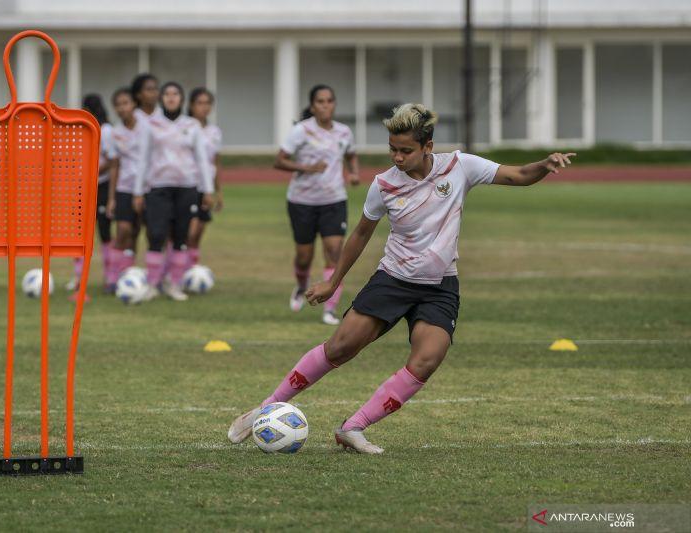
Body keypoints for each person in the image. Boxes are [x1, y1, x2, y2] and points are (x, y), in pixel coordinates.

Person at [228, 103, 576, 454]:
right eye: (392, 149)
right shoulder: (383, 185)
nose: (397, 157)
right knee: (341, 347)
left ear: (428, 146)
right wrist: (334, 282)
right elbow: (361, 234)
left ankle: (352, 428)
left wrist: (544, 165)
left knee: (427, 358)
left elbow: (518, 175)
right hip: (392, 280)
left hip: (440, 287)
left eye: (405, 150)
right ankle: (267, 407)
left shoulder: (459, 166)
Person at [275, 84, 360, 326]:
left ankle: (329, 309)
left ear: (334, 104)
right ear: (312, 106)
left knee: (334, 251)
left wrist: (353, 173)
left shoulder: (344, 132)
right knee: (304, 257)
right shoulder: (300, 131)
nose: (325, 105)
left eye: (329, 101)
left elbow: (351, 154)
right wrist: (306, 168)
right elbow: (279, 161)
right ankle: (301, 286)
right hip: (302, 201)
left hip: (334, 200)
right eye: (320, 101)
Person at [133, 82, 215, 301]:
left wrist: (207, 189)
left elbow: (202, 159)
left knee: (181, 236)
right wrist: (138, 191)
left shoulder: (192, 125)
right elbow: (143, 159)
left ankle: (174, 283)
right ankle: (152, 283)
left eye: (175, 94)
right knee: (157, 234)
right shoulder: (151, 124)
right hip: (158, 187)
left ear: (181, 99)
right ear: (161, 98)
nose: (171, 98)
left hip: (187, 187)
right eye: (167, 94)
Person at [67, 93, 118, 298]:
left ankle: (110, 277)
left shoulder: (105, 131)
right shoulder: (82, 130)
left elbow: (111, 161)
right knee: (78, 236)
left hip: (101, 188)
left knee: (105, 233)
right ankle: (80, 278)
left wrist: (91, 171)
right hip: (81, 188)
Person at [105, 88, 151, 288]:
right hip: (124, 187)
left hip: (147, 186)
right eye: (118, 104)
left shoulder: (147, 128)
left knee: (138, 231)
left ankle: (131, 274)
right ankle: (114, 276)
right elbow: (115, 165)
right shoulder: (116, 132)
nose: (122, 107)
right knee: (123, 229)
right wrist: (112, 198)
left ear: (134, 104)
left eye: (126, 103)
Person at [186, 87, 223, 268]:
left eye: (207, 103)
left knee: (198, 233)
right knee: (188, 233)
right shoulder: (185, 127)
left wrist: (219, 191)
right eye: (200, 103)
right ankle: (178, 270)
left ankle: (191, 271)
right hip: (189, 185)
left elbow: (215, 162)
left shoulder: (214, 131)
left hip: (206, 188)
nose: (204, 107)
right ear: (191, 106)